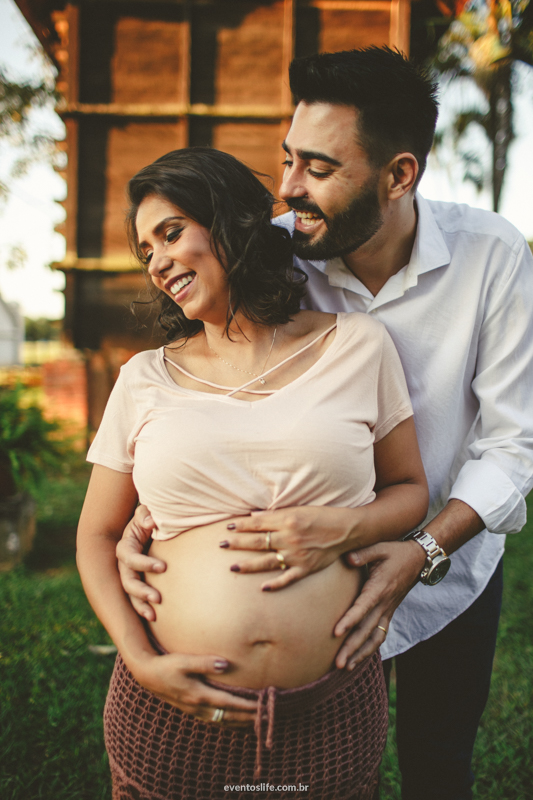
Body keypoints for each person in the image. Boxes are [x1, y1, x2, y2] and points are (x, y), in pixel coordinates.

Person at [117, 48, 533, 800]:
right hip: (314, 589)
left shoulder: (491, 257)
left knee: (439, 767)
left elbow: (511, 443)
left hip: (449, 564)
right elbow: (194, 391)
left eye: (316, 167)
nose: (286, 188)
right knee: (333, 775)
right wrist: (145, 514)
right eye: (286, 159)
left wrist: (421, 551)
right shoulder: (268, 252)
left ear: (398, 175)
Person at [77, 146, 429, 800]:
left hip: (329, 713)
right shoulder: (143, 379)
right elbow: (96, 535)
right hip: (169, 712)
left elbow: (409, 491)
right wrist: (140, 659)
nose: (156, 261)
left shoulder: (356, 345)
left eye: (171, 232)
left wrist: (345, 526)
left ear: (231, 221)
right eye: (145, 250)